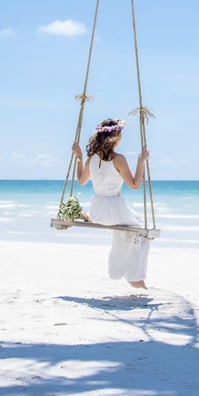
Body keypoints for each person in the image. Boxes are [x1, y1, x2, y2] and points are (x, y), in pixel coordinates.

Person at [71, 118, 152, 289]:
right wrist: (141, 161)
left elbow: (81, 181)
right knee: (142, 232)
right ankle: (135, 277)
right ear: (115, 137)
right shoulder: (118, 159)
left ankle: (131, 276)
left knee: (131, 229)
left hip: (98, 211)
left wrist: (79, 158)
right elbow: (135, 185)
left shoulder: (91, 158)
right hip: (115, 209)